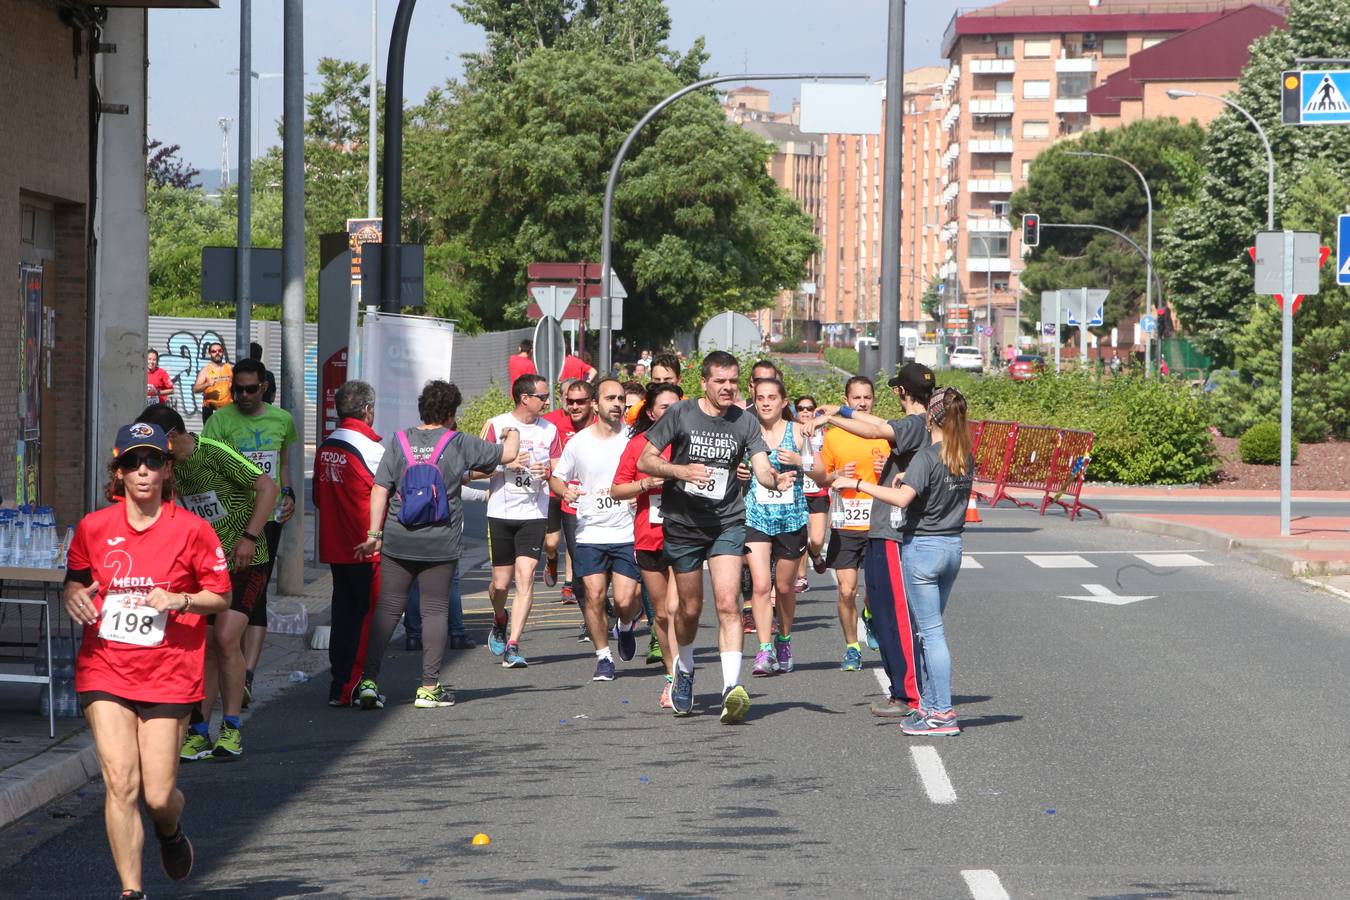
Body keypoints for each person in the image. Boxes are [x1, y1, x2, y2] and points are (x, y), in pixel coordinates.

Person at [64, 422, 231, 900]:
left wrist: (179, 601)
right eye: (133, 462)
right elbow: (75, 583)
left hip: (170, 672)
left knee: (158, 796)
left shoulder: (193, 531)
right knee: (121, 783)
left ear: (167, 469)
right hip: (106, 667)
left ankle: (170, 831)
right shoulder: (94, 528)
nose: (143, 470)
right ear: (118, 471)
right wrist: (75, 598)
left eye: (153, 461)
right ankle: (131, 892)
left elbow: (220, 597)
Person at [638, 351, 796, 724]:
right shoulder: (681, 413)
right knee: (690, 610)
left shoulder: (745, 421)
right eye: (720, 381)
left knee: (728, 603)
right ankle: (686, 669)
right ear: (704, 383)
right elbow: (646, 459)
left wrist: (775, 478)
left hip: (727, 522)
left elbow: (761, 468)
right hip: (683, 524)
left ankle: (730, 689)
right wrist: (680, 471)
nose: (728, 388)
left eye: (734, 381)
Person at [353, 381, 514, 709]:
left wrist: (374, 534)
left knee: (387, 609)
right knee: (436, 610)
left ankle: (368, 681)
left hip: (398, 538)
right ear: (452, 413)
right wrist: (512, 431)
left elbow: (380, 488)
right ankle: (428, 687)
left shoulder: (398, 441)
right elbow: (507, 455)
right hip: (440, 541)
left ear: (421, 408)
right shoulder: (458, 442)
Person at [135, 404, 278, 761]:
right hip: (206, 567)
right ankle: (199, 730)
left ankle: (231, 728)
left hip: (247, 560)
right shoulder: (169, 470)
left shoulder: (213, 452)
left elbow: (268, 488)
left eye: (156, 445)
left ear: (171, 436)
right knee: (208, 645)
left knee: (227, 638)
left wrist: (249, 536)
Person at [836, 386, 973, 736]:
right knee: (931, 631)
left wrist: (859, 484)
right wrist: (905, 477)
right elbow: (918, 487)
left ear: (931, 415)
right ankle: (929, 706)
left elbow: (901, 499)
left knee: (930, 634)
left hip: (923, 548)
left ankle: (941, 713)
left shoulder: (927, 456)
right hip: (952, 547)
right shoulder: (962, 454)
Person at [811, 363, 934, 715]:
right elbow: (874, 424)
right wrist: (839, 413)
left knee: (896, 616)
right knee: (881, 614)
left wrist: (835, 416)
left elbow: (875, 429)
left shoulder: (914, 423)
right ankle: (900, 691)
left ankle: (911, 695)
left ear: (899, 392)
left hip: (894, 530)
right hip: (880, 529)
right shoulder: (914, 423)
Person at [202, 357, 299, 707]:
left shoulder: (282, 420)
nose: (243, 396)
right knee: (230, 595)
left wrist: (288, 495)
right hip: (229, 521)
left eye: (250, 389)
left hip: (267, 519)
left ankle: (247, 676)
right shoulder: (218, 421)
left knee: (256, 594)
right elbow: (208, 468)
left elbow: (284, 464)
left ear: (264, 387)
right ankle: (233, 666)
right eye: (236, 389)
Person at [550, 378, 643, 682]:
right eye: (611, 398)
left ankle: (626, 626)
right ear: (595, 404)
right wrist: (564, 491)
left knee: (626, 601)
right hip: (590, 531)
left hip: (626, 531)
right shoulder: (579, 442)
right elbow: (556, 477)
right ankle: (603, 657)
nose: (618, 404)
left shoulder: (633, 438)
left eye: (621, 399)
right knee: (594, 595)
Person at [482, 374, 563, 667]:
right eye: (542, 396)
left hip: (534, 513)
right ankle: (499, 619)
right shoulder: (496, 424)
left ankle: (514, 644)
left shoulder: (550, 430)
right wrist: (507, 463)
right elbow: (475, 469)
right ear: (524, 398)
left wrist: (548, 474)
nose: (547, 401)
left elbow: (557, 472)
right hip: (501, 513)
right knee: (500, 586)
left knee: (525, 577)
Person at [809, 376, 889, 671]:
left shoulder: (885, 434)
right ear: (846, 402)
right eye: (856, 398)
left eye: (867, 397)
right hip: (845, 523)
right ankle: (852, 647)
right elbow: (821, 478)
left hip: (878, 522)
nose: (862, 403)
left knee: (875, 589)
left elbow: (902, 478)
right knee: (846, 590)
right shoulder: (833, 436)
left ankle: (869, 616)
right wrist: (837, 473)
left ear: (874, 400)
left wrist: (888, 470)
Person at [312, 380, 384, 707]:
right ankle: (352, 685)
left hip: (336, 545)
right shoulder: (371, 449)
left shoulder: (327, 445)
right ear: (368, 411)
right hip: (366, 549)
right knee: (366, 617)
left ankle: (338, 683)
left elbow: (317, 496)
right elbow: (389, 496)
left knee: (342, 615)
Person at [612, 381, 683, 706]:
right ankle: (672, 677)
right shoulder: (639, 444)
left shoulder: (692, 441)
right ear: (652, 412)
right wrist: (645, 483)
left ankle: (684, 672)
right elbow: (617, 489)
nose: (672, 411)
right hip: (649, 538)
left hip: (686, 537)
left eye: (677, 405)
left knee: (678, 609)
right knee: (663, 616)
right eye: (665, 407)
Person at [743, 377, 809, 677]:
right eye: (760, 398)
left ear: (784, 402)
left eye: (772, 397)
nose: (766, 402)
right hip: (755, 516)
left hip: (791, 518)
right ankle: (764, 649)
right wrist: (738, 472)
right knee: (759, 584)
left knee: (783, 587)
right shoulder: (746, 430)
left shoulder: (796, 432)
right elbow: (732, 467)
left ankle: (784, 639)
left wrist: (799, 460)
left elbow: (821, 471)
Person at [542, 379, 595, 609]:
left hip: (592, 501)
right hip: (558, 494)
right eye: (569, 401)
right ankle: (552, 559)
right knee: (552, 542)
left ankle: (575, 588)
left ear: (592, 403)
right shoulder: (554, 425)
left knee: (582, 553)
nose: (573, 406)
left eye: (579, 401)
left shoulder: (602, 426)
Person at [793, 395, 829, 593]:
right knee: (801, 535)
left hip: (818, 490)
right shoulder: (790, 431)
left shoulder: (825, 432)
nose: (805, 412)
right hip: (798, 490)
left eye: (809, 408)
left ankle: (815, 554)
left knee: (816, 539)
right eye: (801, 408)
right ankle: (802, 577)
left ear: (816, 411)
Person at [624, 354, 681, 426]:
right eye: (657, 380)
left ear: (679, 380)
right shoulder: (636, 412)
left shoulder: (689, 410)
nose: (662, 384)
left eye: (667, 380)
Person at [192, 342, 233, 423]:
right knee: (210, 435)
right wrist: (207, 384)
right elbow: (195, 389)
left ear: (223, 352)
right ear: (210, 353)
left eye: (219, 351)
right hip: (210, 409)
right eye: (214, 351)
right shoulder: (206, 370)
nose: (217, 353)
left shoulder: (230, 368)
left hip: (228, 409)